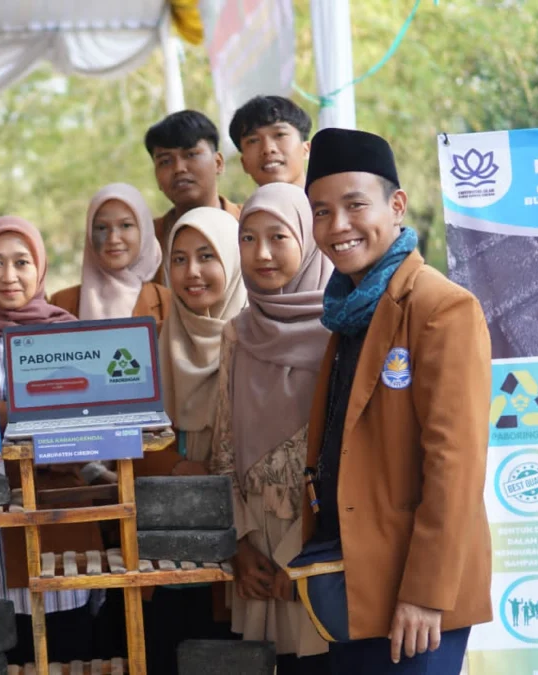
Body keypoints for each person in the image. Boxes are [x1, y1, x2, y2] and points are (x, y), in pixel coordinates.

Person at [301, 128, 492, 674]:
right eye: (321, 212)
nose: (337, 226)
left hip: (416, 596)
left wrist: (427, 592)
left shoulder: (440, 307)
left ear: (397, 205)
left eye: (354, 205)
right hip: (356, 580)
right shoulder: (349, 310)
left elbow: (455, 464)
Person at [0, 216, 104, 665]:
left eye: (21, 262)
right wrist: (27, 413)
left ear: (41, 268)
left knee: (63, 651)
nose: (9, 275)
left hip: (57, 525)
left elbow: (83, 427)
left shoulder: (69, 334)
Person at [209, 183, 331, 674]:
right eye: (248, 238)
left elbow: (349, 454)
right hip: (255, 540)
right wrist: (239, 544)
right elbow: (223, 447)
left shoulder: (341, 327)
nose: (261, 254)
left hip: (319, 538)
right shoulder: (237, 331)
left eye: (278, 237)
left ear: (308, 239)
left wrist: (302, 552)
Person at [142, 207, 249, 675]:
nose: (191, 272)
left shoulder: (258, 343)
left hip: (241, 558)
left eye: (207, 256)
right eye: (179, 259)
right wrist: (172, 470)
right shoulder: (152, 345)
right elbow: (129, 442)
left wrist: (213, 476)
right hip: (161, 559)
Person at [49, 183, 171, 326]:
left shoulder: (167, 302)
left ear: (144, 231)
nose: (113, 239)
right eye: (101, 228)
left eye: (126, 225)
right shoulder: (60, 304)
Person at [144, 111, 243, 272]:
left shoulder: (251, 224)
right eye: (165, 161)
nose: (179, 169)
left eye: (191, 155)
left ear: (218, 163)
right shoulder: (146, 241)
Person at [227, 95, 312, 189]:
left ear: (306, 149)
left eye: (280, 135)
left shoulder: (330, 201)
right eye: (253, 140)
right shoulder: (250, 204)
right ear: (244, 163)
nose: (268, 149)